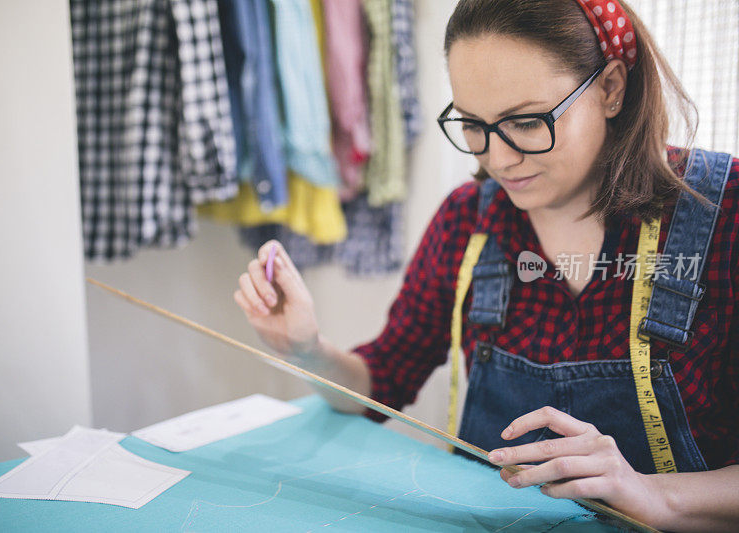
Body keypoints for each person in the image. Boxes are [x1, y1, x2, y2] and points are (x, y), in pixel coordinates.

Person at [233, 0, 739, 530]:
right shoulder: (466, 224)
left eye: (526, 121)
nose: (497, 159)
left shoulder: (722, 215)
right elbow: (381, 380)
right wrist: (307, 350)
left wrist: (653, 496)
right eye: (473, 124)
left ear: (611, 88)